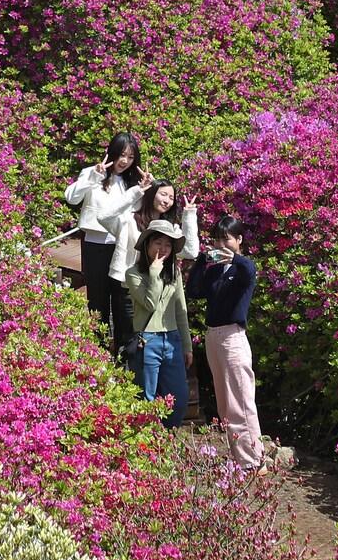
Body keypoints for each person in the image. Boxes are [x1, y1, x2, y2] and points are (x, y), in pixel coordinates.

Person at [187, 215, 263, 471]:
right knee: (224, 402)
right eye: (217, 239)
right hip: (214, 336)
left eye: (226, 238)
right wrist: (201, 261)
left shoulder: (242, 269)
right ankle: (239, 458)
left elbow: (249, 271)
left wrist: (234, 256)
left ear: (239, 240)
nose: (221, 244)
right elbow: (195, 290)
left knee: (241, 400)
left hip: (233, 337)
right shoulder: (217, 271)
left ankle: (253, 460)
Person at [64, 134, 151, 353]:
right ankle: (98, 352)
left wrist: (147, 188)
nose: (125, 161)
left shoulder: (133, 182)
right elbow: (71, 198)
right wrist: (93, 177)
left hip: (123, 246)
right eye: (122, 155)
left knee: (123, 301)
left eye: (131, 157)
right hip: (95, 244)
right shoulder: (93, 173)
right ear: (112, 152)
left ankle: (124, 352)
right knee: (97, 299)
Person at [123, 219, 192, 429]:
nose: (163, 249)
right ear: (147, 245)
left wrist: (187, 346)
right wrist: (154, 272)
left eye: (168, 245)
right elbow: (150, 303)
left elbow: (181, 310)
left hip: (171, 339)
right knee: (147, 398)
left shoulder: (175, 273)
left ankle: (167, 438)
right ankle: (147, 445)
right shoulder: (133, 274)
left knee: (178, 398)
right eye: (158, 243)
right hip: (147, 340)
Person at [97, 178, 199, 287]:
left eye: (171, 198)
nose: (167, 201)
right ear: (151, 194)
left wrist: (189, 215)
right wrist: (137, 192)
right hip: (129, 286)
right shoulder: (128, 221)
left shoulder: (171, 228)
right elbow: (103, 217)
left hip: (159, 286)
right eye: (163, 194)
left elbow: (190, 252)